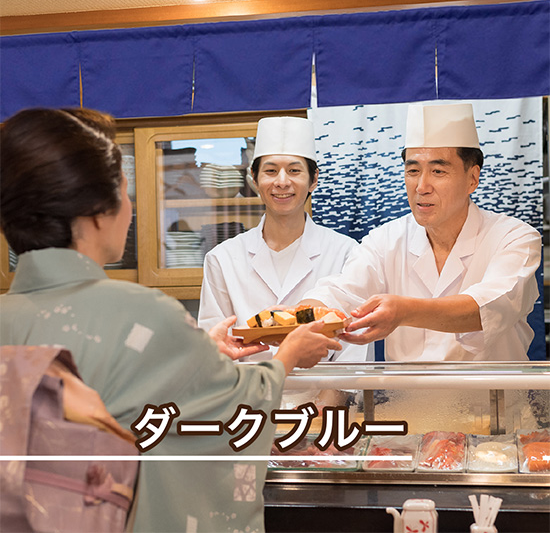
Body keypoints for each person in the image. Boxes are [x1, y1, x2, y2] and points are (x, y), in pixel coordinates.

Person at [0, 107, 341, 533]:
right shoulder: (144, 314)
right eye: (124, 191)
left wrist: (199, 353)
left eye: (294, 170)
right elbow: (232, 408)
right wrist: (285, 359)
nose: (130, 206)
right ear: (96, 210)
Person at [300, 102, 541, 361]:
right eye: (413, 171)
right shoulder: (386, 240)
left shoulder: (515, 237)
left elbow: (489, 307)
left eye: (438, 171)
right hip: (405, 401)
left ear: (472, 178)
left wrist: (404, 311)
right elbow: (342, 292)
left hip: (494, 400)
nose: (422, 186)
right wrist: (294, 317)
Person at [198, 115, 372, 362]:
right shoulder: (222, 259)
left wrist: (325, 402)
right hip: (248, 397)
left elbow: (354, 350)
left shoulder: (346, 253)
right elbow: (213, 352)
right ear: (255, 179)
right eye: (270, 171)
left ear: (313, 180)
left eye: (294, 170)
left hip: (325, 395)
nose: (282, 182)